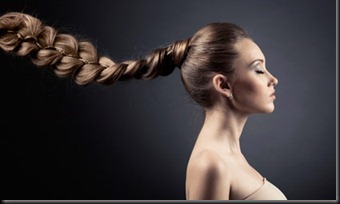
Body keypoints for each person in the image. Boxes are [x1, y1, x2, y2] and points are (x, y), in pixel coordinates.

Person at [0, 12, 287, 200]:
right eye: (258, 69)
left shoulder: (227, 158)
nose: (273, 79)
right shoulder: (211, 164)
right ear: (223, 85)